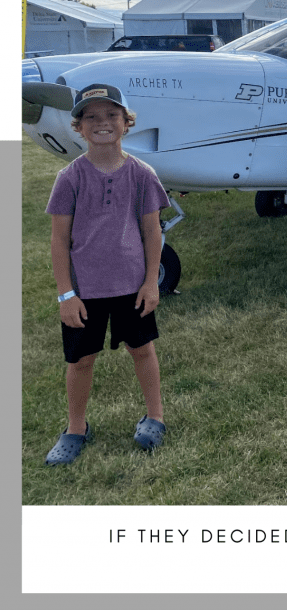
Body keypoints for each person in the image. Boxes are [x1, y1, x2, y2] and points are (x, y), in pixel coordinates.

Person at [44, 84, 171, 465]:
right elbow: (58, 241)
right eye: (92, 117)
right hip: (85, 291)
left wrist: (151, 282)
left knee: (142, 350)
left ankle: (155, 417)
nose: (103, 123)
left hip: (132, 287)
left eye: (112, 115)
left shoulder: (142, 174)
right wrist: (67, 295)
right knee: (80, 360)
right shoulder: (70, 178)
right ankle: (76, 428)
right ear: (78, 127)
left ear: (126, 123)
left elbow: (152, 232)